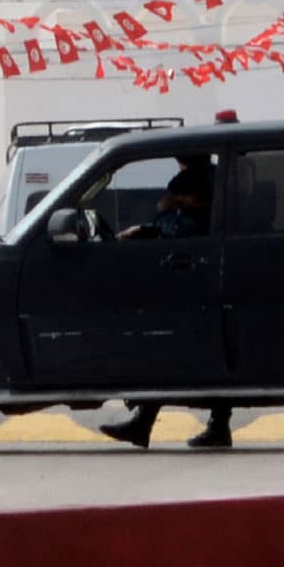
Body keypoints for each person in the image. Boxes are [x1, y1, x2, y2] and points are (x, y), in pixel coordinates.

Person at [102, 159, 234, 451]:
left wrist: (151, 227)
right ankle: (156, 424)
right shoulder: (203, 178)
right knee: (185, 355)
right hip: (193, 284)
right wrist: (145, 229)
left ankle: (146, 423)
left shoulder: (204, 187)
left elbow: (177, 231)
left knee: (168, 352)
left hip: (193, 286)